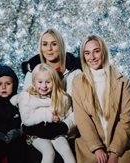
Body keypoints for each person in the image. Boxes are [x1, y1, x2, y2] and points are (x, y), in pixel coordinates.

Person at [72, 35, 130, 163]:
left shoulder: (122, 82)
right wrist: (97, 148)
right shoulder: (78, 82)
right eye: (87, 53)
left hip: (121, 147)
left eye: (96, 51)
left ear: (104, 52)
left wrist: (114, 152)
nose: (92, 57)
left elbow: (126, 119)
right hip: (90, 147)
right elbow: (82, 119)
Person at [21, 28, 81, 162]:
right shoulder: (32, 72)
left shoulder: (74, 73)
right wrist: (32, 126)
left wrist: (63, 127)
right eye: (45, 44)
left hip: (65, 131)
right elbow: (25, 104)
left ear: (61, 45)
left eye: (54, 44)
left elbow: (78, 110)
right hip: (37, 131)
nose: (49, 49)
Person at [11, 63, 76, 163]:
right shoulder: (27, 98)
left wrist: (59, 119)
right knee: (48, 152)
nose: (44, 86)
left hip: (56, 132)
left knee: (66, 151)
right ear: (34, 82)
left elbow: (65, 115)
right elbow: (27, 121)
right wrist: (48, 116)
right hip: (35, 135)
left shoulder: (61, 98)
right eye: (40, 82)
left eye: (48, 82)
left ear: (54, 82)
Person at [0, 65, 26, 163]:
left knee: (18, 149)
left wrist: (18, 131)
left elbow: (25, 121)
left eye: (8, 83)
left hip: (16, 138)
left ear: (14, 84)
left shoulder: (20, 101)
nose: (4, 87)